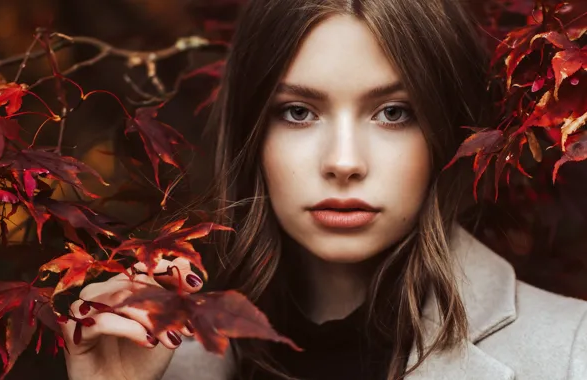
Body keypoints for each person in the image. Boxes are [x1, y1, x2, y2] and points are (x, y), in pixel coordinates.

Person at [61, 0, 587, 379]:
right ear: (252, 133)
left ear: (449, 132)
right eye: (298, 112)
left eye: (393, 113)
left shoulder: (571, 351)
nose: (342, 162)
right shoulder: (164, 363)